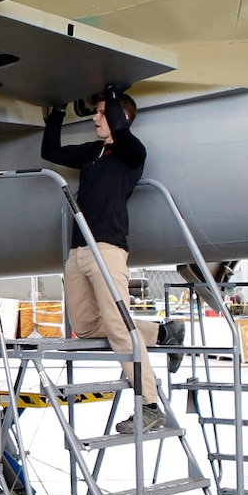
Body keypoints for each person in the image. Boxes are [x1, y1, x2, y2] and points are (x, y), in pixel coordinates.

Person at [42, 89, 164, 431]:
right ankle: (161, 333)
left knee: (119, 328)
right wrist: (56, 112)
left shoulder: (131, 153)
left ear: (118, 117)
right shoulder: (92, 152)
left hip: (108, 249)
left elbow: (122, 132)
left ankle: (151, 406)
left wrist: (110, 89)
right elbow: (49, 150)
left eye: (100, 112)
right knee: (86, 326)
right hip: (79, 250)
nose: (95, 118)